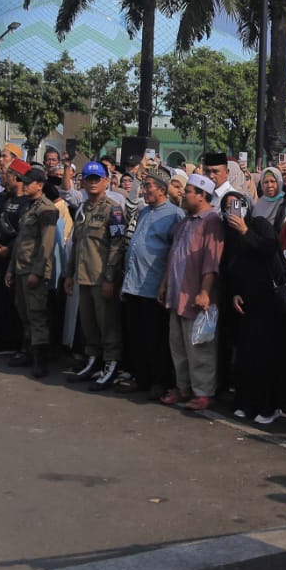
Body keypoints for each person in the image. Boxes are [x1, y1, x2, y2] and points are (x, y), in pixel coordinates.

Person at [225, 184, 286, 424]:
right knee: (247, 355)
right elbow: (232, 268)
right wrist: (235, 293)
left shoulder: (259, 224)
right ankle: (246, 403)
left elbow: (268, 248)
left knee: (267, 356)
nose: (233, 211)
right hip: (248, 302)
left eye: (237, 205)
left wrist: (245, 230)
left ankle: (269, 406)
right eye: (228, 207)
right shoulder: (230, 235)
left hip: (269, 301)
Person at [159, 174, 225, 411]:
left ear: (202, 195)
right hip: (177, 294)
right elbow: (174, 254)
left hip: (197, 297)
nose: (183, 194)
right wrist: (165, 283)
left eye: (188, 191)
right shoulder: (186, 221)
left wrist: (205, 292)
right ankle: (183, 388)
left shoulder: (211, 221)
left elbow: (212, 260)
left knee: (200, 349)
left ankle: (204, 392)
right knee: (178, 347)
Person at [63, 161, 129, 387]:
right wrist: (69, 274)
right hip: (83, 275)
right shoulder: (82, 209)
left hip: (102, 277)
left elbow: (117, 246)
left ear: (106, 181)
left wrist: (110, 277)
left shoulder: (114, 209)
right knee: (89, 324)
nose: (91, 183)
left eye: (96, 179)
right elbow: (76, 243)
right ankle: (93, 359)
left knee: (108, 324)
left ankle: (111, 363)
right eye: (88, 179)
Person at [120, 166, 184, 398]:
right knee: (135, 336)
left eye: (148, 186)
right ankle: (141, 377)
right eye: (144, 185)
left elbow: (175, 253)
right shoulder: (144, 212)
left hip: (154, 286)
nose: (144, 190)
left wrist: (166, 283)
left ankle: (159, 381)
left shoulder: (174, 215)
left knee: (155, 338)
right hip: (133, 283)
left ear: (162, 190)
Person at [8, 167, 61, 378]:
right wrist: (11, 269)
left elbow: (46, 244)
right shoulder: (28, 207)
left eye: (29, 182)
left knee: (37, 315)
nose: (25, 185)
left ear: (40, 185)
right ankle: (28, 351)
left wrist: (38, 272)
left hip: (33, 269)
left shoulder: (46, 209)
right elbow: (21, 241)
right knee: (24, 313)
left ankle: (40, 359)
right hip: (21, 266)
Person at [0, 159, 31, 356]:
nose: (4, 177)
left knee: (10, 302)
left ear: (18, 178)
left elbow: (24, 232)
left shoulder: (28, 202)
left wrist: (9, 249)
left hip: (14, 258)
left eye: (8, 174)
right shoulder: (2, 198)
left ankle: (10, 341)